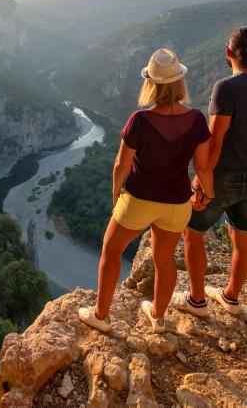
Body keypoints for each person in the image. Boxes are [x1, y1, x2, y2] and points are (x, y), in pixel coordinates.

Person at [78, 48, 213, 333]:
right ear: (179, 83)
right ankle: (158, 316)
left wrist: (116, 192)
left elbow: (120, 164)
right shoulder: (197, 120)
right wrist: (206, 193)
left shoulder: (140, 120)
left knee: (111, 250)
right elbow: (202, 167)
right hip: (177, 203)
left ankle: (101, 315)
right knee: (164, 259)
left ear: (150, 84)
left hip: (139, 200)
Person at [172, 27, 247, 317]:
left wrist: (202, 180)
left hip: (222, 176)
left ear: (227, 53)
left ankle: (197, 300)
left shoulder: (226, 88)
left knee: (193, 231)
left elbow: (214, 140)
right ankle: (231, 297)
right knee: (241, 234)